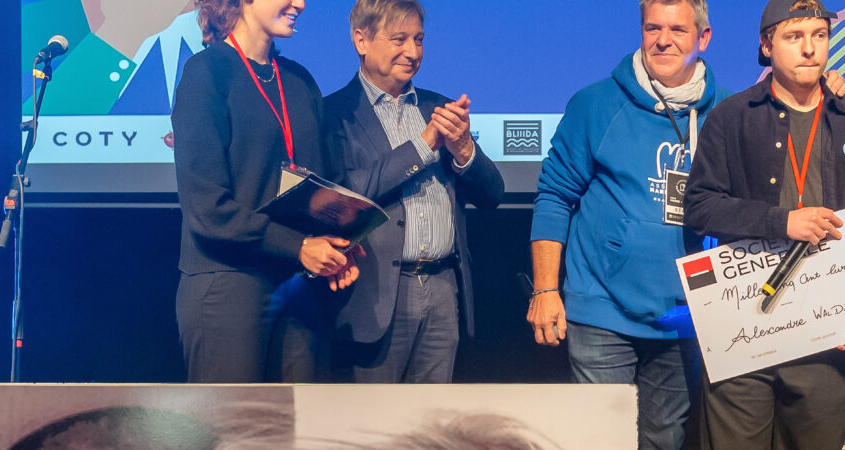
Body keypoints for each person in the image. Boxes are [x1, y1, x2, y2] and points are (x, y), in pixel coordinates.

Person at [680, 1, 845, 447]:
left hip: (826, 333)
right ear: (766, 45)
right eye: (794, 37)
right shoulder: (731, 117)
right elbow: (698, 207)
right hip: (743, 327)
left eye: (819, 35)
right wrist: (782, 221)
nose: (809, 49)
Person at [524, 0, 718, 447]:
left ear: (703, 38)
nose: (663, 40)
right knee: (601, 440)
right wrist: (545, 290)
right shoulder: (595, 104)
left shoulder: (727, 111)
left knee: (664, 441)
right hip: (601, 310)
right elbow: (554, 197)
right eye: (652, 28)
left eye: (677, 30)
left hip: (683, 315)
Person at [171, 0, 360, 384]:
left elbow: (323, 184)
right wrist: (300, 246)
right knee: (231, 420)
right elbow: (208, 209)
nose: (300, 4)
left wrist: (340, 245)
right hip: (228, 282)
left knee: (296, 419)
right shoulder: (206, 72)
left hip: (299, 286)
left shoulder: (299, 81)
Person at [322, 0, 505, 384]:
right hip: (376, 294)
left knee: (430, 417)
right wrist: (423, 146)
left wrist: (464, 150)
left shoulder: (439, 108)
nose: (413, 52)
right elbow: (345, 195)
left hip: (442, 287)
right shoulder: (334, 114)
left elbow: (492, 194)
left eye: (419, 39)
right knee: (372, 418)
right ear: (361, 40)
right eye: (399, 39)